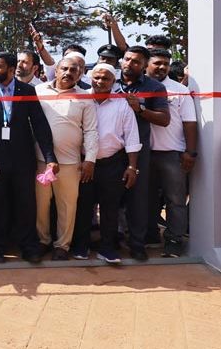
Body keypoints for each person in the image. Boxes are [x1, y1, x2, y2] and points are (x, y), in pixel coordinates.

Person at [0, 51, 57, 263]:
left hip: (23, 158)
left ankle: (29, 247)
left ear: (11, 70)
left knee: (26, 204)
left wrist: (50, 156)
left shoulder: (27, 90)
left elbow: (39, 124)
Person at [33, 57, 99, 260]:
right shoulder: (39, 91)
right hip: (41, 160)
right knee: (41, 205)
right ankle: (43, 241)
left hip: (71, 163)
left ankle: (62, 245)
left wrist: (90, 159)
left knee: (67, 206)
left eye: (74, 70)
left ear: (80, 74)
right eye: (65, 68)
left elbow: (91, 130)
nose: (68, 73)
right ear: (57, 70)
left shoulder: (85, 97)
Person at [82, 63, 140, 264]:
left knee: (110, 208)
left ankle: (107, 248)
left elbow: (132, 136)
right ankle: (81, 246)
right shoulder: (81, 98)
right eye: (96, 78)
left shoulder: (122, 104)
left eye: (105, 79)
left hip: (113, 163)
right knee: (83, 206)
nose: (100, 82)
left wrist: (132, 166)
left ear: (113, 82)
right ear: (91, 78)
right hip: (83, 164)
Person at [116, 46, 170, 260]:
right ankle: (110, 240)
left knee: (137, 198)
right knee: (109, 197)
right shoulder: (109, 80)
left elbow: (164, 119)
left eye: (136, 61)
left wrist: (140, 109)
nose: (130, 64)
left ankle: (137, 243)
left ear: (144, 65)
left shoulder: (154, 87)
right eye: (127, 59)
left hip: (138, 151)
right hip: (110, 149)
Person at [147, 48, 197, 257]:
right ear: (146, 64)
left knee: (175, 200)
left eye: (165, 64)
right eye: (157, 63)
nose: (162, 67)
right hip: (143, 154)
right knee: (144, 198)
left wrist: (190, 152)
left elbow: (190, 122)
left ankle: (174, 240)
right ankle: (147, 236)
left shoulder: (179, 89)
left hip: (172, 154)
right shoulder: (137, 88)